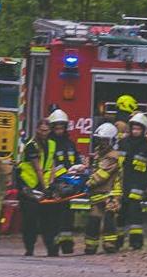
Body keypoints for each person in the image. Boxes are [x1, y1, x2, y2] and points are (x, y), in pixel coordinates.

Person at [118, 112, 147, 251]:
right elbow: (114, 162)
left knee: (134, 211)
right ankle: (117, 241)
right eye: (133, 128)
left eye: (138, 129)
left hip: (138, 184)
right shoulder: (122, 144)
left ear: (144, 130)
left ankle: (136, 242)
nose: (135, 131)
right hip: (123, 182)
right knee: (120, 213)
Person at [14, 118, 58, 257]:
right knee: (30, 220)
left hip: (42, 185)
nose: (44, 133)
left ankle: (51, 248)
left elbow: (51, 165)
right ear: (37, 130)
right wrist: (45, 188)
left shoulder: (52, 144)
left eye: (46, 130)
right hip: (29, 185)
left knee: (48, 219)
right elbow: (37, 168)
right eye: (41, 130)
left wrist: (51, 184)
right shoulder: (31, 145)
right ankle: (29, 248)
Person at [83, 122, 125, 254]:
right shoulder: (98, 153)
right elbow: (94, 169)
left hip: (111, 193)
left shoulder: (113, 156)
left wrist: (88, 183)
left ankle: (110, 245)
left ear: (112, 140)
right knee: (93, 220)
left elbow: (103, 174)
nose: (102, 143)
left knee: (109, 220)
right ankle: (91, 246)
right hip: (97, 193)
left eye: (105, 140)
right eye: (100, 140)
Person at [46, 109, 83, 255]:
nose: (59, 130)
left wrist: (80, 168)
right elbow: (50, 166)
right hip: (56, 185)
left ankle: (67, 244)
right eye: (56, 127)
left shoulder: (70, 144)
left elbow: (76, 160)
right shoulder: (49, 144)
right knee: (54, 217)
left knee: (67, 216)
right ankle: (53, 246)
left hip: (70, 185)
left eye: (62, 127)